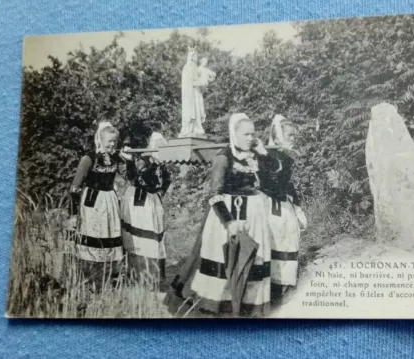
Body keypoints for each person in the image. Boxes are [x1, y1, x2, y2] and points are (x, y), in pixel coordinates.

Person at [165, 113, 281, 317]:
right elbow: (214, 195)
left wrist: (264, 154)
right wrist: (229, 222)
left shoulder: (255, 155)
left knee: (252, 260)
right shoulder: (223, 158)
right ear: (233, 134)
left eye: (252, 134)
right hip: (227, 216)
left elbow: (275, 174)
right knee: (224, 261)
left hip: (254, 215)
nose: (250, 138)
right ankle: (221, 305)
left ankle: (248, 303)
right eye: (245, 134)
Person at [68, 121, 132, 291]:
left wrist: (130, 160)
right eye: (109, 141)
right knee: (93, 236)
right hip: (92, 202)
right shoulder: (88, 158)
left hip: (110, 201)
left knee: (109, 235)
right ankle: (90, 279)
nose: (112, 144)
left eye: (115, 141)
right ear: (100, 139)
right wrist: (73, 213)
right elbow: (75, 187)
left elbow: (129, 177)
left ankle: (110, 277)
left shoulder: (117, 159)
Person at [259, 115, 308, 304]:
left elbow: (287, 185)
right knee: (273, 239)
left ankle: (283, 282)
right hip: (267, 204)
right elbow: (267, 183)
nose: (293, 139)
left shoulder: (286, 158)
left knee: (287, 238)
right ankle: (271, 284)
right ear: (277, 136)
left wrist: (297, 206)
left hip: (281, 203)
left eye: (294, 136)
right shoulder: (265, 156)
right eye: (290, 135)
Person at [120, 132, 172, 290]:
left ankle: (151, 276)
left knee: (153, 238)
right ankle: (137, 275)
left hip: (152, 202)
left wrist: (160, 190)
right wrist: (131, 162)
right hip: (139, 201)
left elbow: (167, 179)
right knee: (139, 238)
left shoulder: (161, 164)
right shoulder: (145, 160)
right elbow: (133, 178)